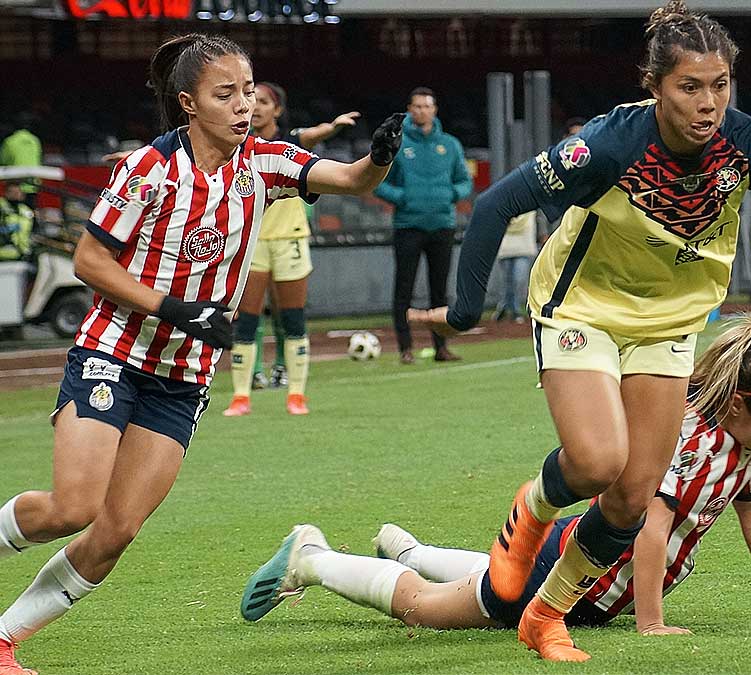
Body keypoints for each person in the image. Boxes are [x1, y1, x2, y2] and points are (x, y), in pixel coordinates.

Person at [408, 0, 751, 661]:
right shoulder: (609, 144)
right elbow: (497, 202)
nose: (708, 104)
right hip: (582, 305)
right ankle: (530, 512)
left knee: (634, 495)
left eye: (719, 85)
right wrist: (465, 312)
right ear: (655, 86)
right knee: (595, 461)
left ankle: (544, 615)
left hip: (668, 325)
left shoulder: (748, 143)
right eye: (689, 87)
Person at [0, 33, 404, 675]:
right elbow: (88, 259)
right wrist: (173, 308)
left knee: (116, 533)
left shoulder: (265, 162)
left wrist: (378, 159)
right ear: (189, 103)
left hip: (182, 379)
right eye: (227, 94)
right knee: (73, 507)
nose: (244, 105)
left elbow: (352, 180)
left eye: (248, 91)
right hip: (116, 351)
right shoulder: (147, 169)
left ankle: (3, 639)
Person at [240, 315, 751, 639]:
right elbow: (650, 530)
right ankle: (312, 559)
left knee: (489, 575)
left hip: (581, 558)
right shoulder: (695, 444)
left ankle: (409, 552)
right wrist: (650, 622)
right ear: (734, 407)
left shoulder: (740, 448)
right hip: (573, 577)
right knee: (427, 610)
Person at [223, 81, 361, 417]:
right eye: (253, 100)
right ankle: (241, 396)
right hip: (253, 242)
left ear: (278, 111)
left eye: (264, 102)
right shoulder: (236, 144)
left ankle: (296, 394)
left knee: (293, 319)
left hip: (290, 239)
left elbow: (311, 136)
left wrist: (331, 128)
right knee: (245, 322)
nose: (255, 107)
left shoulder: (288, 144)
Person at [374, 87, 472, 364]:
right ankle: (405, 347)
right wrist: (403, 198)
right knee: (403, 288)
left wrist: (450, 195)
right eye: (416, 107)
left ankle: (441, 346)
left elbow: (464, 181)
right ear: (409, 110)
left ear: (435, 110)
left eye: (426, 106)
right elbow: (378, 181)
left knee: (439, 289)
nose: (422, 111)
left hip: (442, 224)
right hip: (409, 225)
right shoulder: (398, 143)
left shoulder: (450, 145)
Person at [492, 211, 538, 322]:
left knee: (518, 279)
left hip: (524, 246)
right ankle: (505, 307)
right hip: (505, 246)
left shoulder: (530, 203)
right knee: (506, 281)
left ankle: (512, 308)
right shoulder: (504, 202)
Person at [0, 116, 42, 209]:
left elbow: (3, 162)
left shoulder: (9, 141)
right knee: (30, 216)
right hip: (32, 185)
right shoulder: (35, 141)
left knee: (14, 217)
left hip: (15, 187)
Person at [0, 182, 34, 261]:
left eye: (19, 192)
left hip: (22, 251)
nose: (18, 194)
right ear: (7, 193)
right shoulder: (1, 205)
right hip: (4, 249)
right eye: (14, 192)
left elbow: (29, 229)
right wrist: (4, 230)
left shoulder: (25, 209)